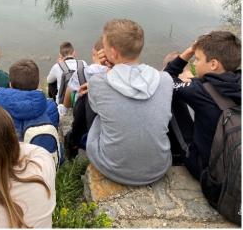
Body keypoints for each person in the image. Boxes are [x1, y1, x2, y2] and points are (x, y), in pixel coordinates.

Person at [86, 19, 173, 185]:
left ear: (113, 52)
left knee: (96, 110)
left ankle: (78, 144)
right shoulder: (165, 79)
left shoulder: (98, 82)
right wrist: (114, 65)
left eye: (104, 45)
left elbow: (96, 108)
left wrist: (108, 68)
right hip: (159, 167)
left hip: (112, 168)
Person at [163, 31, 241, 179]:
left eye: (197, 59)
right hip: (230, 160)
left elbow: (167, 78)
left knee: (172, 95)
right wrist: (194, 81)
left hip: (205, 169)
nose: (194, 63)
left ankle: (177, 154)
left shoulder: (198, 92)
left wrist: (189, 51)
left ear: (213, 64)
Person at [0, 59, 61, 165]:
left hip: (0, 162)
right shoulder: (50, 107)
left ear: (10, 84)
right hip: (36, 165)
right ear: (38, 84)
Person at [63, 36, 107, 159]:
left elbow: (67, 96)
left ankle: (73, 146)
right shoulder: (117, 74)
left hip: (85, 125)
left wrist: (65, 108)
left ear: (94, 52)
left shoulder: (82, 72)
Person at [46, 41, 85, 106]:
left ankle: (54, 103)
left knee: (52, 82)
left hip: (63, 105)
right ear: (74, 53)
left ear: (60, 55)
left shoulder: (57, 66)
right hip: (81, 103)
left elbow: (48, 80)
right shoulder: (83, 63)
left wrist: (60, 64)